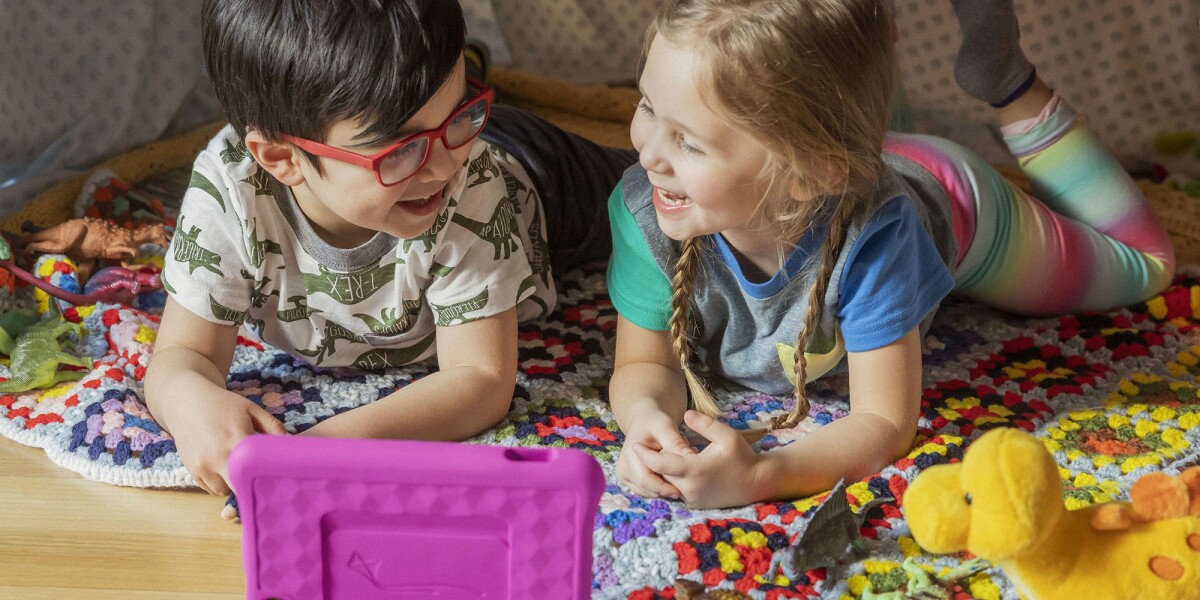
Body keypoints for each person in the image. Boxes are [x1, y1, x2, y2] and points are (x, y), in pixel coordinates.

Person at [607, 0, 1175, 509]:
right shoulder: (645, 209)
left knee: (1146, 268)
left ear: (807, 171)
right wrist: (646, 422)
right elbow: (645, 365)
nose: (647, 152)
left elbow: (883, 420)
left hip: (952, 198)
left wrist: (762, 474)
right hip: (829, 162)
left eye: (688, 141)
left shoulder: (879, 234)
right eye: (648, 107)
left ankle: (1005, 80)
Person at [144, 0, 636, 496]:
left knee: (660, 191)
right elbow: (181, 356)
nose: (442, 168)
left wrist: (315, 451)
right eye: (398, 148)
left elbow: (482, 380)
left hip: (542, 177)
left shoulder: (470, 176)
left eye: (460, 103)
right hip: (463, 138)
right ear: (280, 158)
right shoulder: (229, 193)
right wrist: (190, 401)